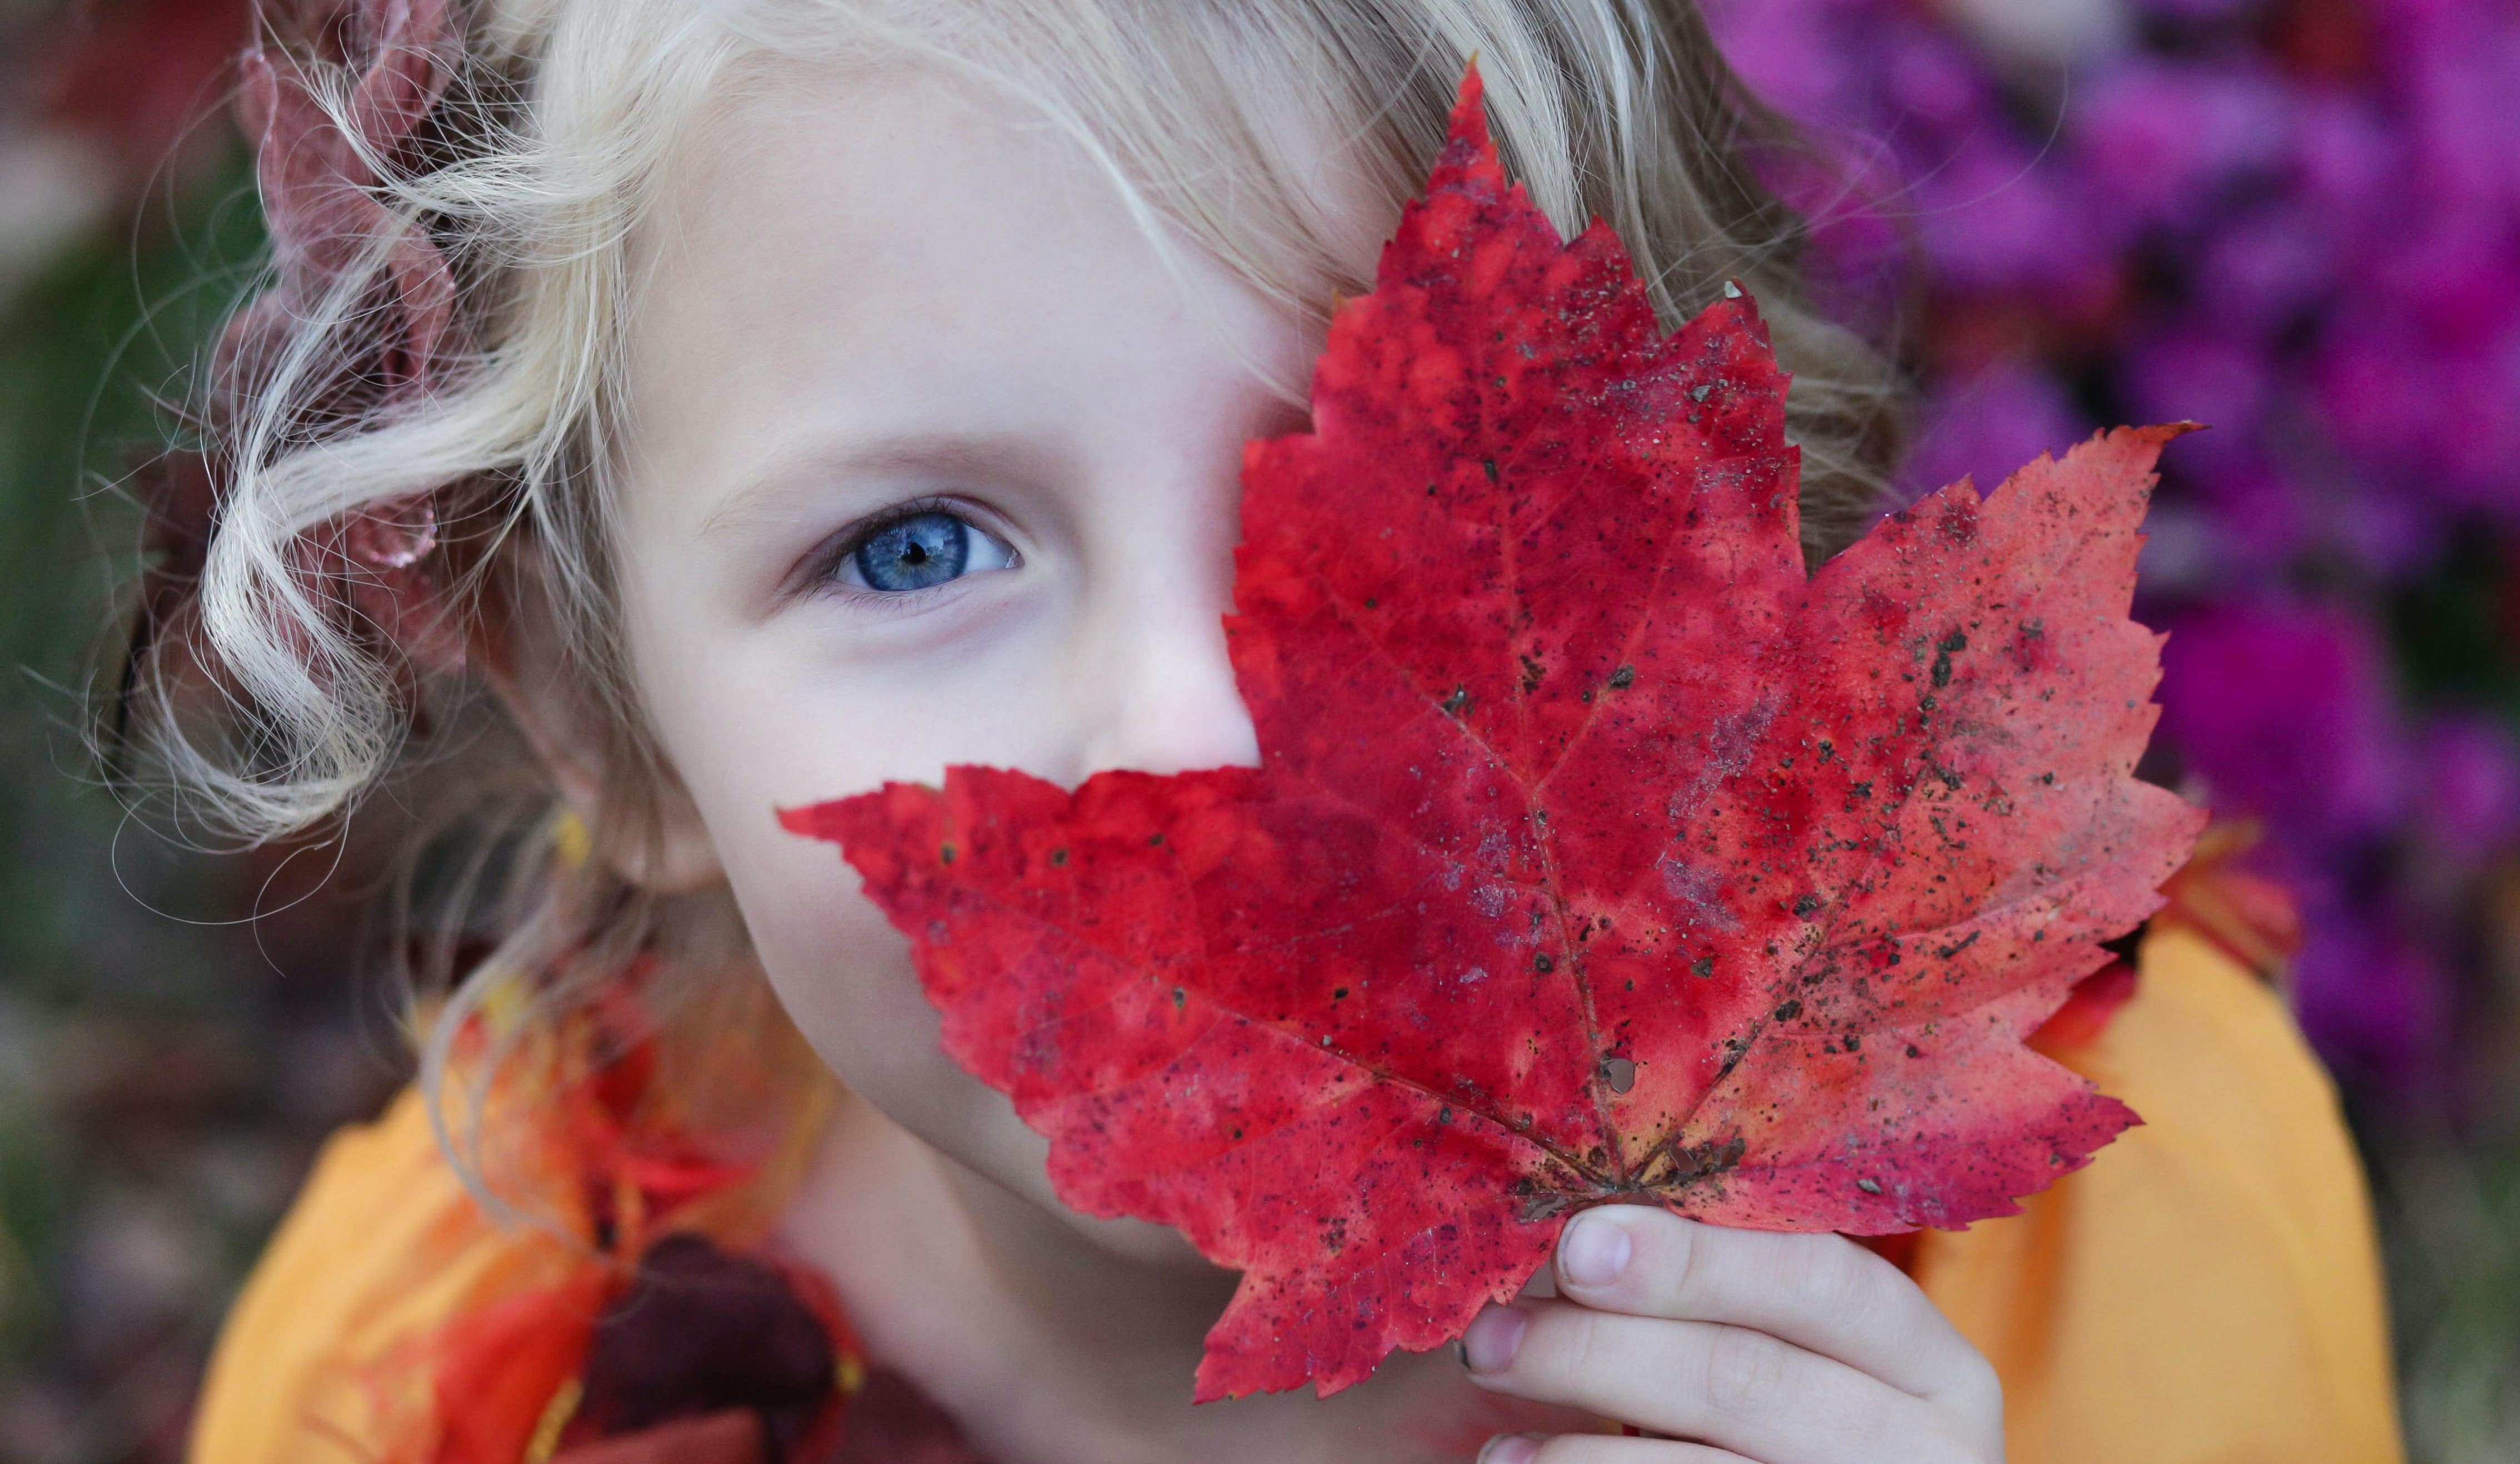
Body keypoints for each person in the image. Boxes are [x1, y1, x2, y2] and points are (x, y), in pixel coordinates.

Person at [115, 1, 2403, 1460]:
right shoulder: (430, 1391)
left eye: (1379, 476)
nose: (1206, 722)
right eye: (916, 550)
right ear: (592, 709)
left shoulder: (2118, 1236)